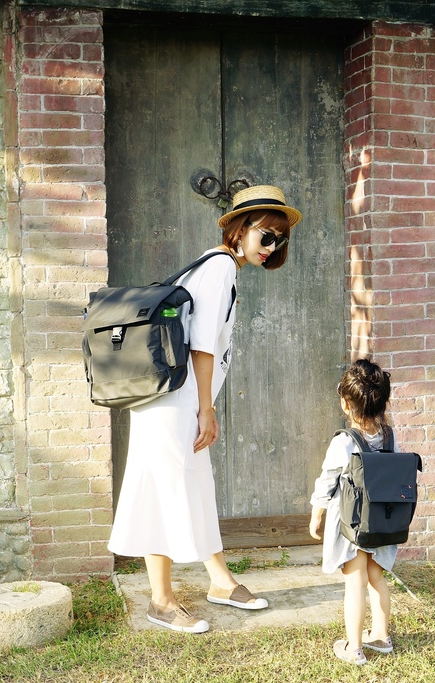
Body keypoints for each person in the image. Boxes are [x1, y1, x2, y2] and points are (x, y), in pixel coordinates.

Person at [107, 185, 301, 633]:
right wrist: (206, 408)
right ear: (239, 228)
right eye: (266, 236)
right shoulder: (218, 269)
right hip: (177, 399)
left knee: (192, 485)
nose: (272, 248)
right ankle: (160, 600)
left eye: (279, 240)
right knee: (165, 489)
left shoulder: (215, 265)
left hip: (172, 399)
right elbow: (202, 348)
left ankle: (219, 581)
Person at [309, 359, 399, 664]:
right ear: (383, 403)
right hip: (382, 521)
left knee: (355, 581)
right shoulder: (389, 436)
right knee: (377, 577)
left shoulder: (344, 442)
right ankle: (381, 636)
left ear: (346, 404)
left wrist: (316, 514)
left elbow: (327, 480)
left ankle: (354, 647)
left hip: (352, 524)